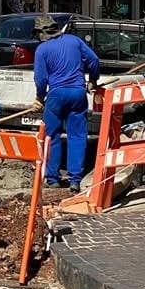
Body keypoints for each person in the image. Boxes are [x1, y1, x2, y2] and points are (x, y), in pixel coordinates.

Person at [32, 16, 100, 193]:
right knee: (77, 136)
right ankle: (75, 180)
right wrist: (92, 79)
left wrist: (40, 97)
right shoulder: (74, 41)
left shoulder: (42, 49)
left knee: (51, 136)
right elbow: (93, 60)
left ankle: (53, 178)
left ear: (41, 33)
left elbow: (40, 79)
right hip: (77, 93)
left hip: (55, 95)